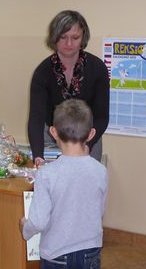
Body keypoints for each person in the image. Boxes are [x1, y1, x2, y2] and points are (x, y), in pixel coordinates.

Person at [20, 99, 108, 269]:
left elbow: (38, 221)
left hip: (55, 253)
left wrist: (25, 228)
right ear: (91, 134)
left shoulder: (46, 174)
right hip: (89, 250)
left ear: (53, 132)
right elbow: (99, 210)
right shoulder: (100, 171)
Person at [28, 10, 109, 167]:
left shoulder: (98, 68)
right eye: (63, 37)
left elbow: (102, 117)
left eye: (75, 37)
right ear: (54, 38)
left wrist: (86, 146)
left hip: (88, 137)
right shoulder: (42, 72)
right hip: (52, 137)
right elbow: (36, 118)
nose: (69, 44)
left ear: (83, 37)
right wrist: (38, 156)